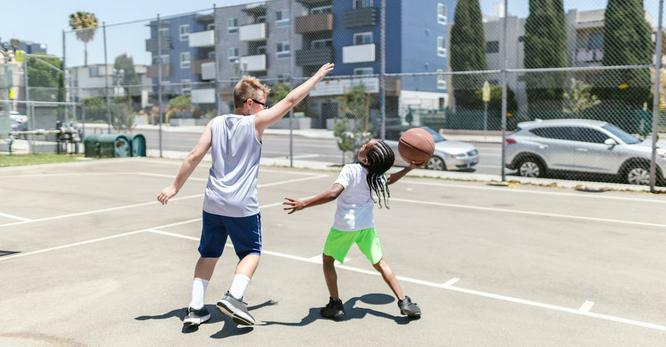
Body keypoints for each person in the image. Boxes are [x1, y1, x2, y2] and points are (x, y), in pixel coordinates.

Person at [157, 63, 334, 327]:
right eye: (263, 103)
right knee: (251, 252)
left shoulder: (216, 123)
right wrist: (317, 77)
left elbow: (194, 156)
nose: (266, 107)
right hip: (241, 205)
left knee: (208, 254)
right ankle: (234, 297)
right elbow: (291, 99)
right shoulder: (255, 122)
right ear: (249, 103)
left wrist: (174, 187)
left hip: (213, 202)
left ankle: (195, 309)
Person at [283, 139, 422, 320]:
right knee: (380, 263)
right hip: (366, 227)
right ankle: (404, 301)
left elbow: (333, 193)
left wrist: (304, 203)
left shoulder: (351, 169)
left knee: (327, 261)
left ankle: (335, 304)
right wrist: (409, 168)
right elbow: (389, 179)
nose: (362, 145)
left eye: (366, 147)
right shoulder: (375, 174)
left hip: (344, 227)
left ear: (366, 160)